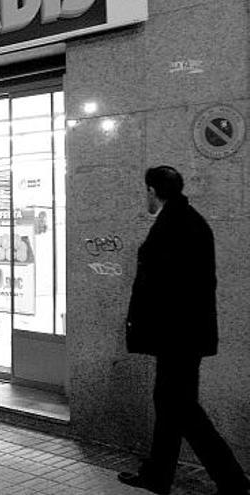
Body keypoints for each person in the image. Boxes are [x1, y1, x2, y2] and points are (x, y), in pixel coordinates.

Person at [119, 166, 249, 495]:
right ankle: (158, 475)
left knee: (182, 408)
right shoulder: (188, 220)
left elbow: (167, 286)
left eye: (145, 192)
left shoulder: (175, 225)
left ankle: (232, 480)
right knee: (169, 405)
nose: (144, 197)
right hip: (183, 335)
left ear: (152, 191)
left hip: (177, 336)